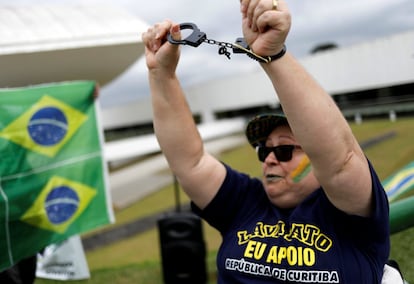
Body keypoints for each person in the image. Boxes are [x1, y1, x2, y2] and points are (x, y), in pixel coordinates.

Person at [142, 0, 395, 282]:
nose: (270, 158)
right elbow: (190, 162)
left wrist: (273, 55)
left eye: (285, 150)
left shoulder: (351, 213)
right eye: (265, 150)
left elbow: (341, 162)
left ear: (316, 155)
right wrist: (160, 73)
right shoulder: (246, 203)